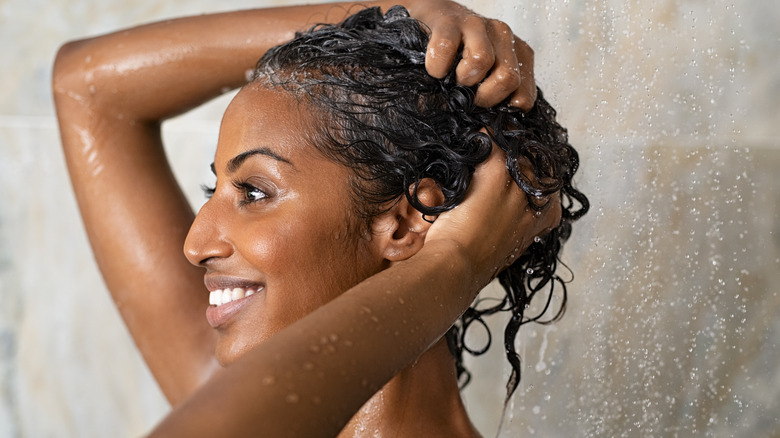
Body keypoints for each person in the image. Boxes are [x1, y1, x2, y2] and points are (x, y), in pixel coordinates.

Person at [52, 1, 587, 436]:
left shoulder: (227, 414)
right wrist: (396, 15)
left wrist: (457, 260)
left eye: (254, 192)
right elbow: (87, 87)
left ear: (403, 225)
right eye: (212, 188)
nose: (195, 244)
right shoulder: (230, 396)